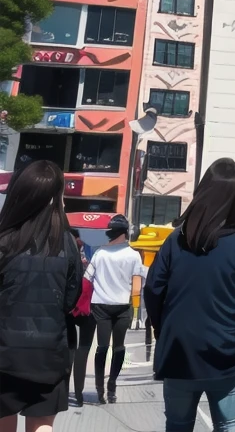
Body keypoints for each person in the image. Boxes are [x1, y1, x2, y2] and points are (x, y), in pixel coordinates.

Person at [144, 157, 235, 432]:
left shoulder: (176, 240)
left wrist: (162, 327)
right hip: (227, 353)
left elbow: (153, 289)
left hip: (178, 350)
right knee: (228, 426)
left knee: (178, 425)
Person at [0, 160, 82, 432]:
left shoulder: (4, 239)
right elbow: (71, 299)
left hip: (4, 352)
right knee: (42, 427)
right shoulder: (66, 242)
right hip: (50, 354)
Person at [86, 212, 148, 403]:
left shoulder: (100, 253)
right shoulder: (133, 255)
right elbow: (137, 286)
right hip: (122, 305)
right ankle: (112, 385)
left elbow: (87, 278)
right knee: (119, 347)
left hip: (101, 304)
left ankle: (99, 388)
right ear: (125, 232)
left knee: (102, 347)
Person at [68, 226, 96, 407]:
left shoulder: (62, 255)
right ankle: (78, 393)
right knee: (83, 350)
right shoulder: (91, 254)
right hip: (88, 309)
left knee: (68, 350)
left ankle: (63, 390)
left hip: (68, 309)